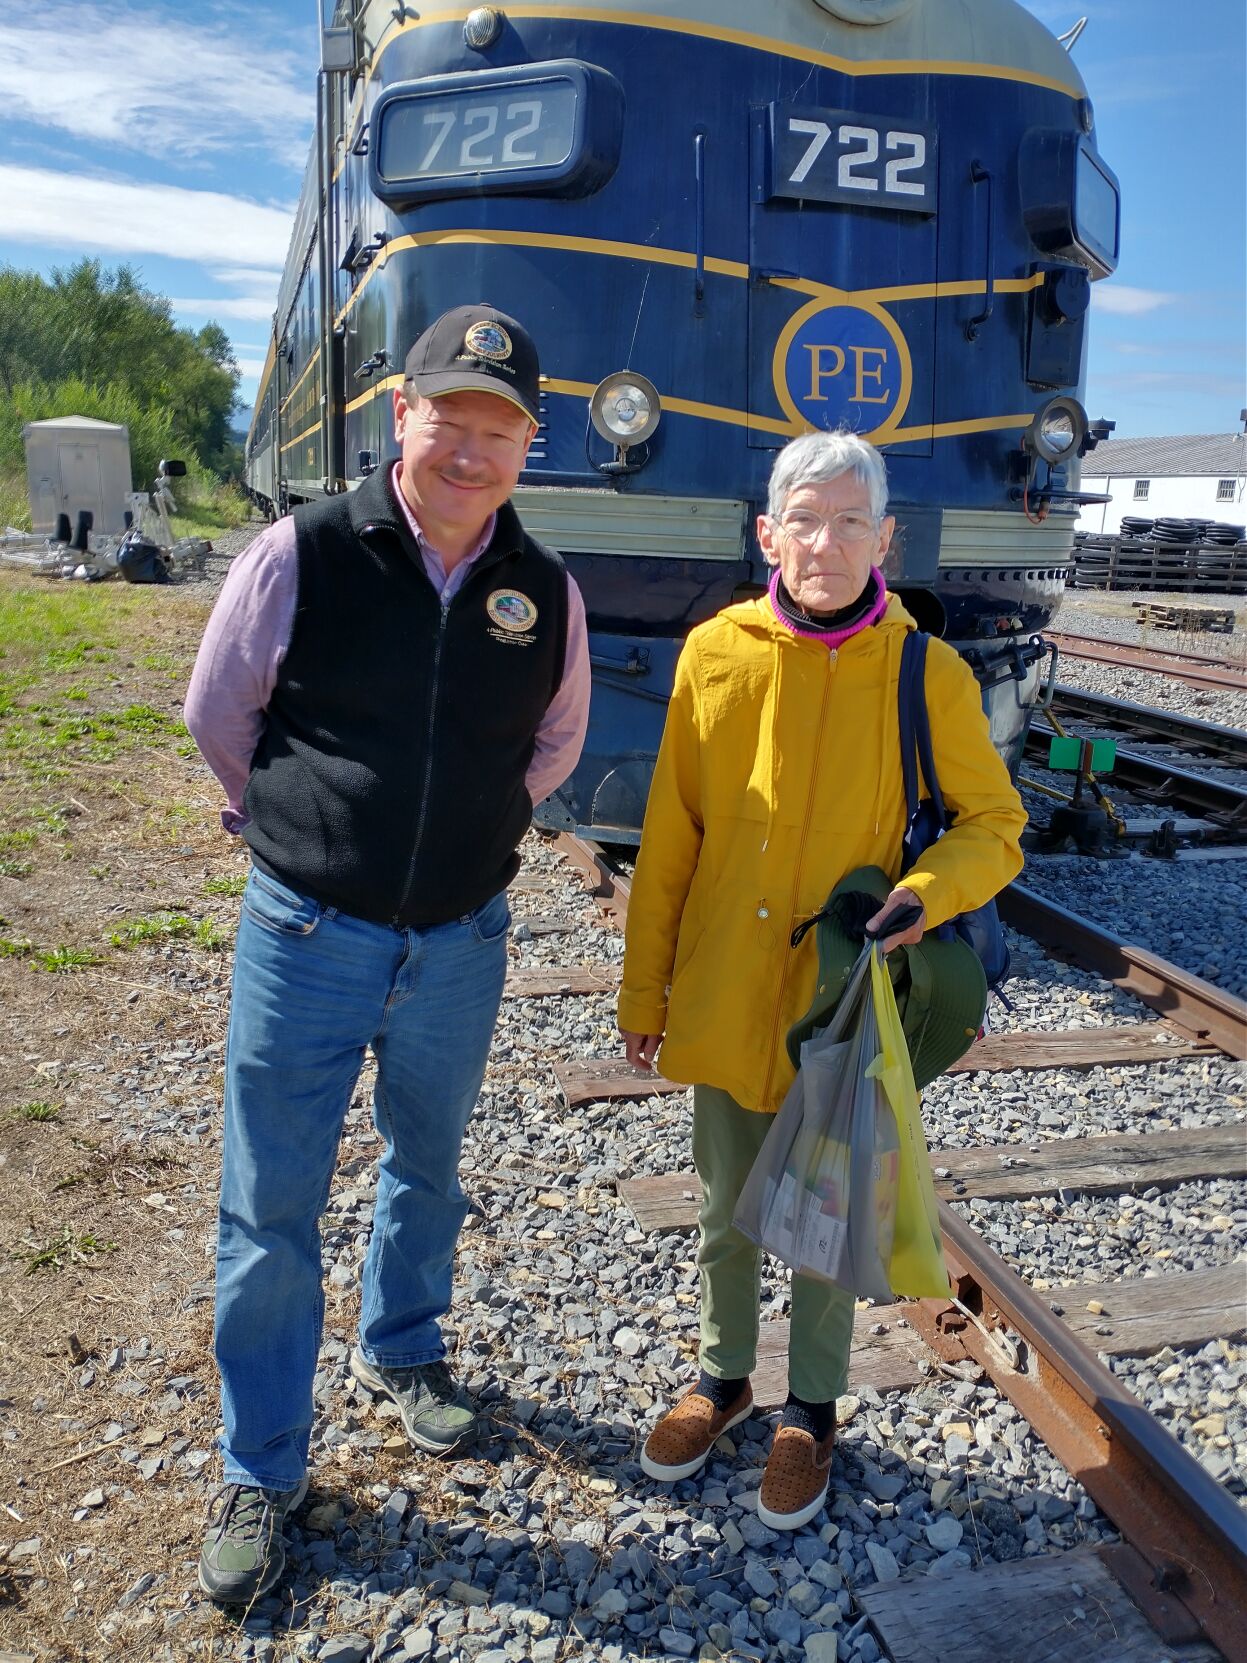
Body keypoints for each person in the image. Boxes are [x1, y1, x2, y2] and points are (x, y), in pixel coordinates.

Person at [185, 304, 590, 1604]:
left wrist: (469, 837)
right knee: (272, 1205)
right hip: (306, 932)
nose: (471, 450)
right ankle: (259, 1464)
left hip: (459, 941)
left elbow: (554, 748)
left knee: (427, 1162)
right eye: (449, 418)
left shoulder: (543, 587)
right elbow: (219, 709)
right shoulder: (302, 550)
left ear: (527, 443)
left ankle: (400, 1346)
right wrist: (290, 824)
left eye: (500, 427)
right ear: (399, 415)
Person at [617, 429, 1025, 1532]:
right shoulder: (714, 651)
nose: (827, 542)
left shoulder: (921, 668)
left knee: (823, 1220)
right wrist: (642, 996)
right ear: (767, 533)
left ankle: (810, 1408)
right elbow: (670, 841)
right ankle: (722, 1376)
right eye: (805, 518)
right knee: (722, 1209)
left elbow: (995, 826)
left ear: (884, 537)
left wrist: (924, 893)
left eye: (852, 522)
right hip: (724, 984)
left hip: (839, 999)